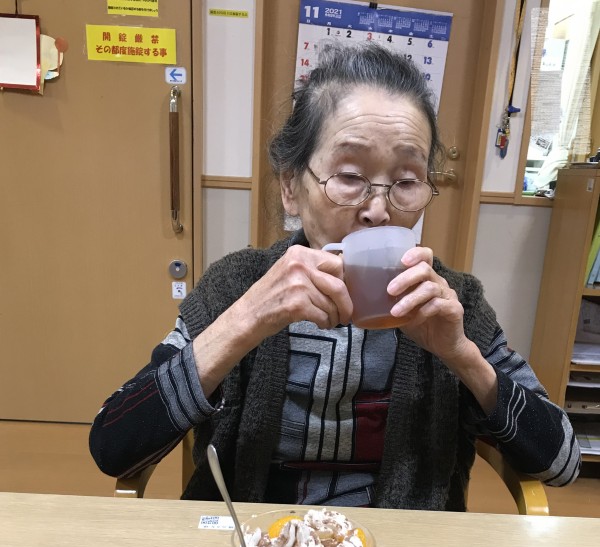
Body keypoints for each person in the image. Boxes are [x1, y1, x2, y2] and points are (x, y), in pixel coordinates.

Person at [89, 43, 580, 510]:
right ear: (290, 187)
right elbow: (114, 445)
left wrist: (462, 356)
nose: (378, 209)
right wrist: (245, 321)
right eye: (349, 176)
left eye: (407, 181)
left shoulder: (454, 304)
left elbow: (562, 462)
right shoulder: (235, 287)